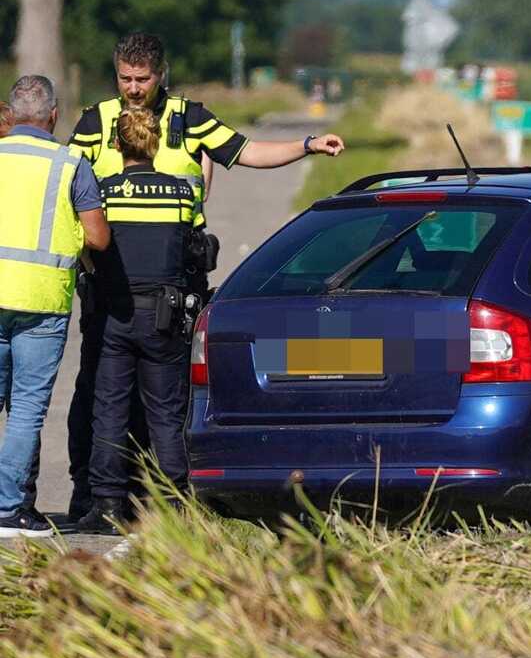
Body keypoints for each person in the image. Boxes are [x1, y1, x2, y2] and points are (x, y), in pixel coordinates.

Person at [63, 32, 346, 518]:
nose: (133, 89)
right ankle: (92, 492)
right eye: (125, 79)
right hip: (108, 283)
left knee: (160, 401)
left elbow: (246, 151)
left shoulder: (189, 116)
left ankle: (157, 499)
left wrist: (307, 145)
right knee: (99, 394)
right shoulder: (96, 120)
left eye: (143, 79)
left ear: (161, 74)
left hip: (175, 277)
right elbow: (67, 184)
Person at [70, 108, 201, 533]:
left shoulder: (105, 192)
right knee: (166, 410)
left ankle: (107, 502)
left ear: (115, 144)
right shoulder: (182, 194)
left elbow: (88, 246)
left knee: (109, 407)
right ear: (157, 142)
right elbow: (196, 247)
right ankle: (173, 503)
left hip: (113, 313)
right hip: (165, 315)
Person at [0, 76, 110, 538]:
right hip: (43, 301)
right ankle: (8, 509)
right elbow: (99, 237)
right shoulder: (70, 163)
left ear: (10, 113)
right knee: (26, 408)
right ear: (53, 115)